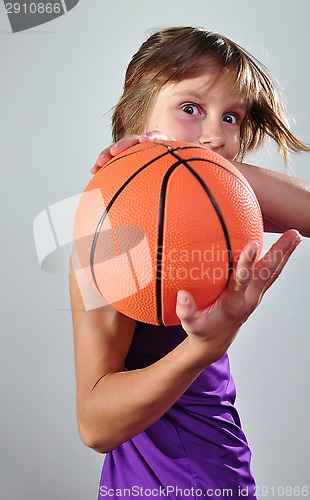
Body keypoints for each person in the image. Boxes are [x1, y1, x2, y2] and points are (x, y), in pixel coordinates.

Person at [70, 27, 310, 499]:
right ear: (138, 115)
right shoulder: (111, 225)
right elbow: (95, 424)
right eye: (190, 108)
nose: (215, 135)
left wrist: (197, 164)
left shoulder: (216, 209)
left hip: (209, 471)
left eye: (232, 118)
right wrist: (202, 347)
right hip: (170, 482)